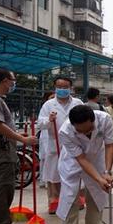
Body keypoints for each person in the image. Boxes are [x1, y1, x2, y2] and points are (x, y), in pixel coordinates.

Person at [56, 105, 113, 224]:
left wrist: (106, 173)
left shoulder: (105, 119)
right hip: (72, 163)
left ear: (93, 120)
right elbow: (81, 159)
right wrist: (98, 178)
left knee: (97, 196)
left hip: (97, 160)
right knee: (70, 199)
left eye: (89, 129)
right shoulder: (65, 131)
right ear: (73, 125)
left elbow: (109, 145)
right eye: (81, 131)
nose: (86, 133)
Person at [0, 69, 38, 224]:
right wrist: (23, 140)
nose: (13, 83)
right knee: (2, 185)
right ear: (4, 81)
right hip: (0, 147)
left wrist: (16, 134)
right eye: (12, 80)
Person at [37, 77, 83, 214]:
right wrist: (48, 120)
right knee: (54, 175)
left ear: (71, 88)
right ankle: (54, 201)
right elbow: (40, 123)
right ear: (55, 87)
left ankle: (75, 200)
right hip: (54, 144)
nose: (62, 89)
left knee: (73, 173)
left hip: (73, 143)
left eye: (65, 87)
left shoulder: (77, 103)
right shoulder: (48, 105)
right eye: (59, 86)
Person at [38, 91, 55, 188]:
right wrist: (49, 120)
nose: (53, 99)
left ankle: (49, 179)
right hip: (46, 134)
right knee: (44, 157)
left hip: (55, 136)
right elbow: (40, 123)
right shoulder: (45, 108)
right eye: (51, 97)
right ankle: (43, 180)